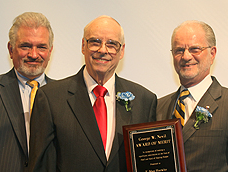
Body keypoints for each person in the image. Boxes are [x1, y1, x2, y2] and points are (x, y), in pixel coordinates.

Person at [28, 15, 157, 172]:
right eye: (95, 42)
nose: (103, 50)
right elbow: (41, 166)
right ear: (83, 46)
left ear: (121, 51)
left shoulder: (144, 101)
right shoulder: (50, 98)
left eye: (112, 44)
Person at [157, 20, 228, 171]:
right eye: (179, 50)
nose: (186, 56)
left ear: (212, 54)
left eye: (195, 49)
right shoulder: (158, 106)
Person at [0, 12, 54, 172]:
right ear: (10, 49)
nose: (33, 54)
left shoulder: (65, 96)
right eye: (26, 46)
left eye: (41, 47)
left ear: (50, 50)